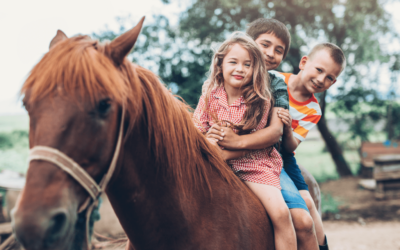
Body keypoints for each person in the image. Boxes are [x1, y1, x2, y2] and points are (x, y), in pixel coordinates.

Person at [205, 18, 323, 250]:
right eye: (265, 45)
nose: (270, 53)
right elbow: (204, 119)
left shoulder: (276, 85)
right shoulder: (221, 81)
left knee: (301, 219)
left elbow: (275, 132)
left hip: (263, 159)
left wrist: (235, 142)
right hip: (224, 152)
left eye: (278, 50)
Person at [193, 32, 296, 250]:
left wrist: (222, 154)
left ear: (255, 69)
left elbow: (256, 142)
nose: (240, 69)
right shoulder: (210, 93)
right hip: (213, 159)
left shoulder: (260, 98)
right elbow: (198, 129)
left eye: (247, 64)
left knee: (280, 213)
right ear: (220, 64)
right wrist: (207, 141)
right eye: (233, 62)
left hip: (254, 164)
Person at [277, 42, 346, 250]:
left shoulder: (313, 109)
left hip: (283, 155)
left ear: (333, 83)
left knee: (307, 201)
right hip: (259, 145)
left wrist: (287, 128)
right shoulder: (275, 79)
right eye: (319, 70)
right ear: (304, 62)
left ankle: (322, 246)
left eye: (329, 78)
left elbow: (290, 147)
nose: (321, 79)